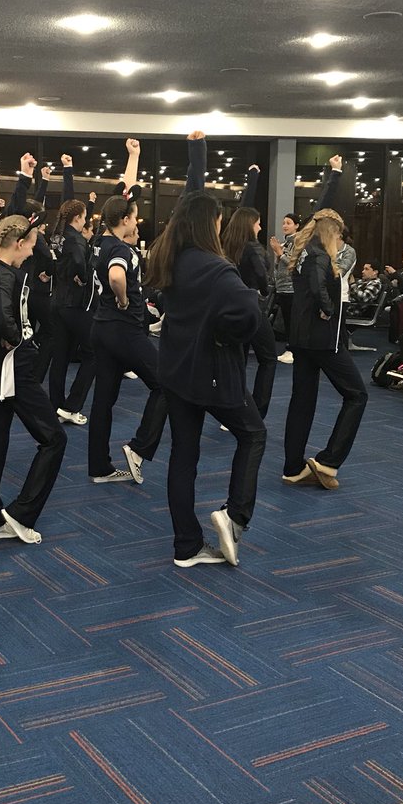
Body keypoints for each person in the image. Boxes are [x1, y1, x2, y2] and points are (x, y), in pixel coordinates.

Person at [148, 191, 265, 568]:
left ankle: (186, 545)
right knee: (253, 433)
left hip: (176, 370)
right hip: (210, 374)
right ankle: (236, 516)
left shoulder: (171, 258)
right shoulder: (217, 268)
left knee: (183, 455)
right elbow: (249, 312)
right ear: (209, 223)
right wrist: (227, 334)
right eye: (218, 220)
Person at [0, 214, 67, 543]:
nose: (31, 253)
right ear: (18, 243)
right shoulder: (2, 275)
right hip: (13, 370)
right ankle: (21, 514)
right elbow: (2, 318)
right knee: (55, 439)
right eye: (30, 246)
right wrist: (15, 339)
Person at [282, 208, 368, 490]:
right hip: (323, 340)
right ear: (331, 232)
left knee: (302, 402)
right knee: (357, 395)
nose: (340, 240)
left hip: (302, 339)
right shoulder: (319, 255)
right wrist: (328, 309)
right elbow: (319, 285)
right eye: (339, 234)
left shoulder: (303, 252)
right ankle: (329, 461)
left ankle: (293, 468)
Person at [87, 194, 167, 485]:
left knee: (103, 400)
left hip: (102, 328)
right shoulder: (121, 249)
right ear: (124, 220)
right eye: (134, 217)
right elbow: (117, 277)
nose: (136, 222)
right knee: (165, 384)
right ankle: (139, 448)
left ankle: (100, 467)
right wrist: (122, 300)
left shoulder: (100, 242)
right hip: (124, 329)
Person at [221, 193, 276, 419]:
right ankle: (257, 411)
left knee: (238, 360)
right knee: (269, 359)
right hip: (253, 307)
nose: (260, 227)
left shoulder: (228, 247)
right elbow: (263, 277)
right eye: (258, 223)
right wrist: (265, 290)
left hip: (233, 307)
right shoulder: (254, 248)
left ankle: (233, 407)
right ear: (250, 224)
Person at [48, 185, 95, 425]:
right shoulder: (76, 239)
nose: (86, 222)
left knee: (60, 357)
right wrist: (84, 277)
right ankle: (72, 405)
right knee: (93, 353)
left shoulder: (57, 236)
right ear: (77, 218)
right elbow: (78, 261)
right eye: (85, 217)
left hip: (57, 301)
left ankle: (56, 406)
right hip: (74, 304)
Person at [269, 211, 301, 364]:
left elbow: (294, 264)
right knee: (286, 321)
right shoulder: (285, 242)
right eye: (283, 223)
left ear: (297, 226)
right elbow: (279, 266)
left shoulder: (297, 242)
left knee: (291, 321)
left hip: (291, 287)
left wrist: (280, 254)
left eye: (288, 223)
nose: (285, 226)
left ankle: (292, 349)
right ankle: (290, 348)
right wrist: (278, 255)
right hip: (281, 287)